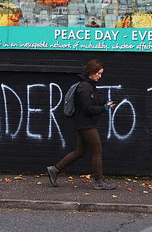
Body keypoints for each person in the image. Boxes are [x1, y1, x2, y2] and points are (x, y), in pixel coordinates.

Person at [47, 60, 117, 190]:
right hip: (86, 125)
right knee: (97, 151)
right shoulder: (84, 87)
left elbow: (94, 101)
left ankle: (55, 169)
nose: (100, 76)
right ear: (91, 72)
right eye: (98, 73)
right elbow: (87, 108)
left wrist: (105, 102)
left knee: (80, 152)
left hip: (83, 124)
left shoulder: (89, 85)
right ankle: (99, 181)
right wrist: (104, 108)